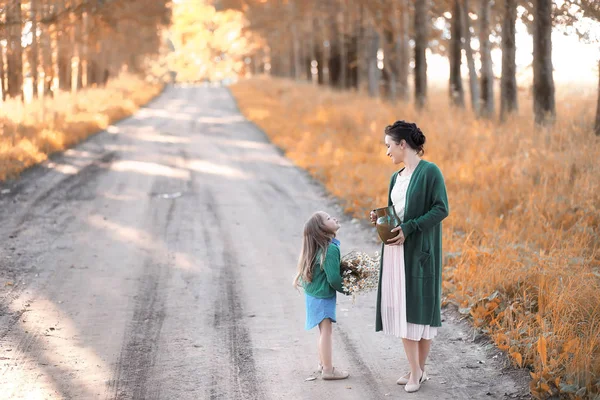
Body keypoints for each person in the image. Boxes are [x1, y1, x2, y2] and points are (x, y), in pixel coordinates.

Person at [370, 120, 449, 393]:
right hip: (395, 250)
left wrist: (410, 227)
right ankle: (417, 370)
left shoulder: (430, 173)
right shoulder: (396, 177)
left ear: (403, 144)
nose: (387, 152)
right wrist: (382, 218)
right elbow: (398, 212)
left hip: (419, 252)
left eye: (389, 146)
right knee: (405, 311)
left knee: (419, 314)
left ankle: (417, 372)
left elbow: (441, 209)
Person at [293, 211, 349, 380]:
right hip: (323, 296)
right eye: (329, 218)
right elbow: (333, 278)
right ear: (322, 229)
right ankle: (328, 370)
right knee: (326, 332)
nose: (334, 218)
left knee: (323, 331)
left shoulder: (319, 246)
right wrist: (347, 288)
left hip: (314, 295)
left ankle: (322, 363)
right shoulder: (330, 249)